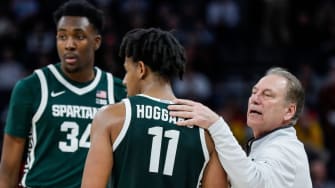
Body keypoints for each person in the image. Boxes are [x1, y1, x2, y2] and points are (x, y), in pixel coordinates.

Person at [0, 0, 126, 187]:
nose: (69, 45)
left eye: (79, 36)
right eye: (62, 37)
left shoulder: (117, 91)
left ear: (96, 42)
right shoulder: (31, 87)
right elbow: (9, 166)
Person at [81, 28, 228, 188]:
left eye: (126, 71)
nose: (123, 81)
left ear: (141, 69)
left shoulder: (110, 117)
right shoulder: (207, 131)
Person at [168, 67, 313, 188]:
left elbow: (252, 183)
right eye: (254, 92)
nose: (255, 99)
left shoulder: (287, 148)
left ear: (289, 111)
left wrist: (216, 125)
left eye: (267, 95)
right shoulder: (268, 144)